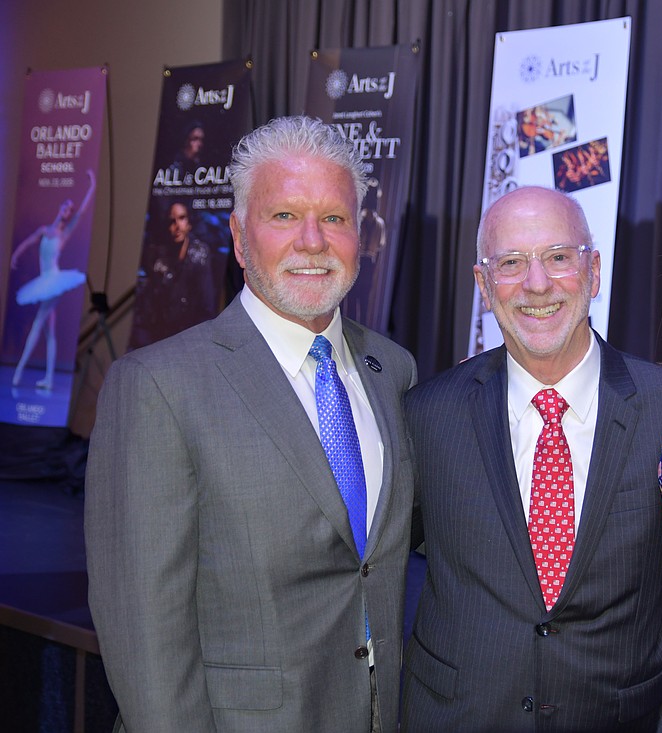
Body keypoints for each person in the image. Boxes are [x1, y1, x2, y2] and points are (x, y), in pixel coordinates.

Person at [85, 116, 417, 732]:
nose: (313, 241)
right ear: (239, 238)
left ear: (362, 237)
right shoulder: (158, 386)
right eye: (284, 216)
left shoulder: (391, 370)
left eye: (335, 218)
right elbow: (144, 630)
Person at [401, 186, 662, 732]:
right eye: (510, 263)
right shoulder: (426, 415)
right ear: (483, 285)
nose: (537, 283)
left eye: (557, 257)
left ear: (593, 271)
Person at [10, 169, 96, 390]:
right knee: (50, 332)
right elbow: (28, 243)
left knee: (39, 323)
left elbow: (83, 211)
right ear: (60, 208)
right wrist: (15, 256)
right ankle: (48, 379)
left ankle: (18, 372)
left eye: (70, 210)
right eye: (65, 207)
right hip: (44, 280)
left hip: (55, 281)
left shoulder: (63, 234)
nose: (67, 211)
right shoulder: (44, 230)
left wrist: (92, 184)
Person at [130, 200, 219, 348]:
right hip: (161, 338)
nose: (177, 226)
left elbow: (207, 305)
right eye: (172, 221)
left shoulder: (199, 255)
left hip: (192, 338)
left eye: (182, 218)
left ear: (189, 222)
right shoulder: (157, 257)